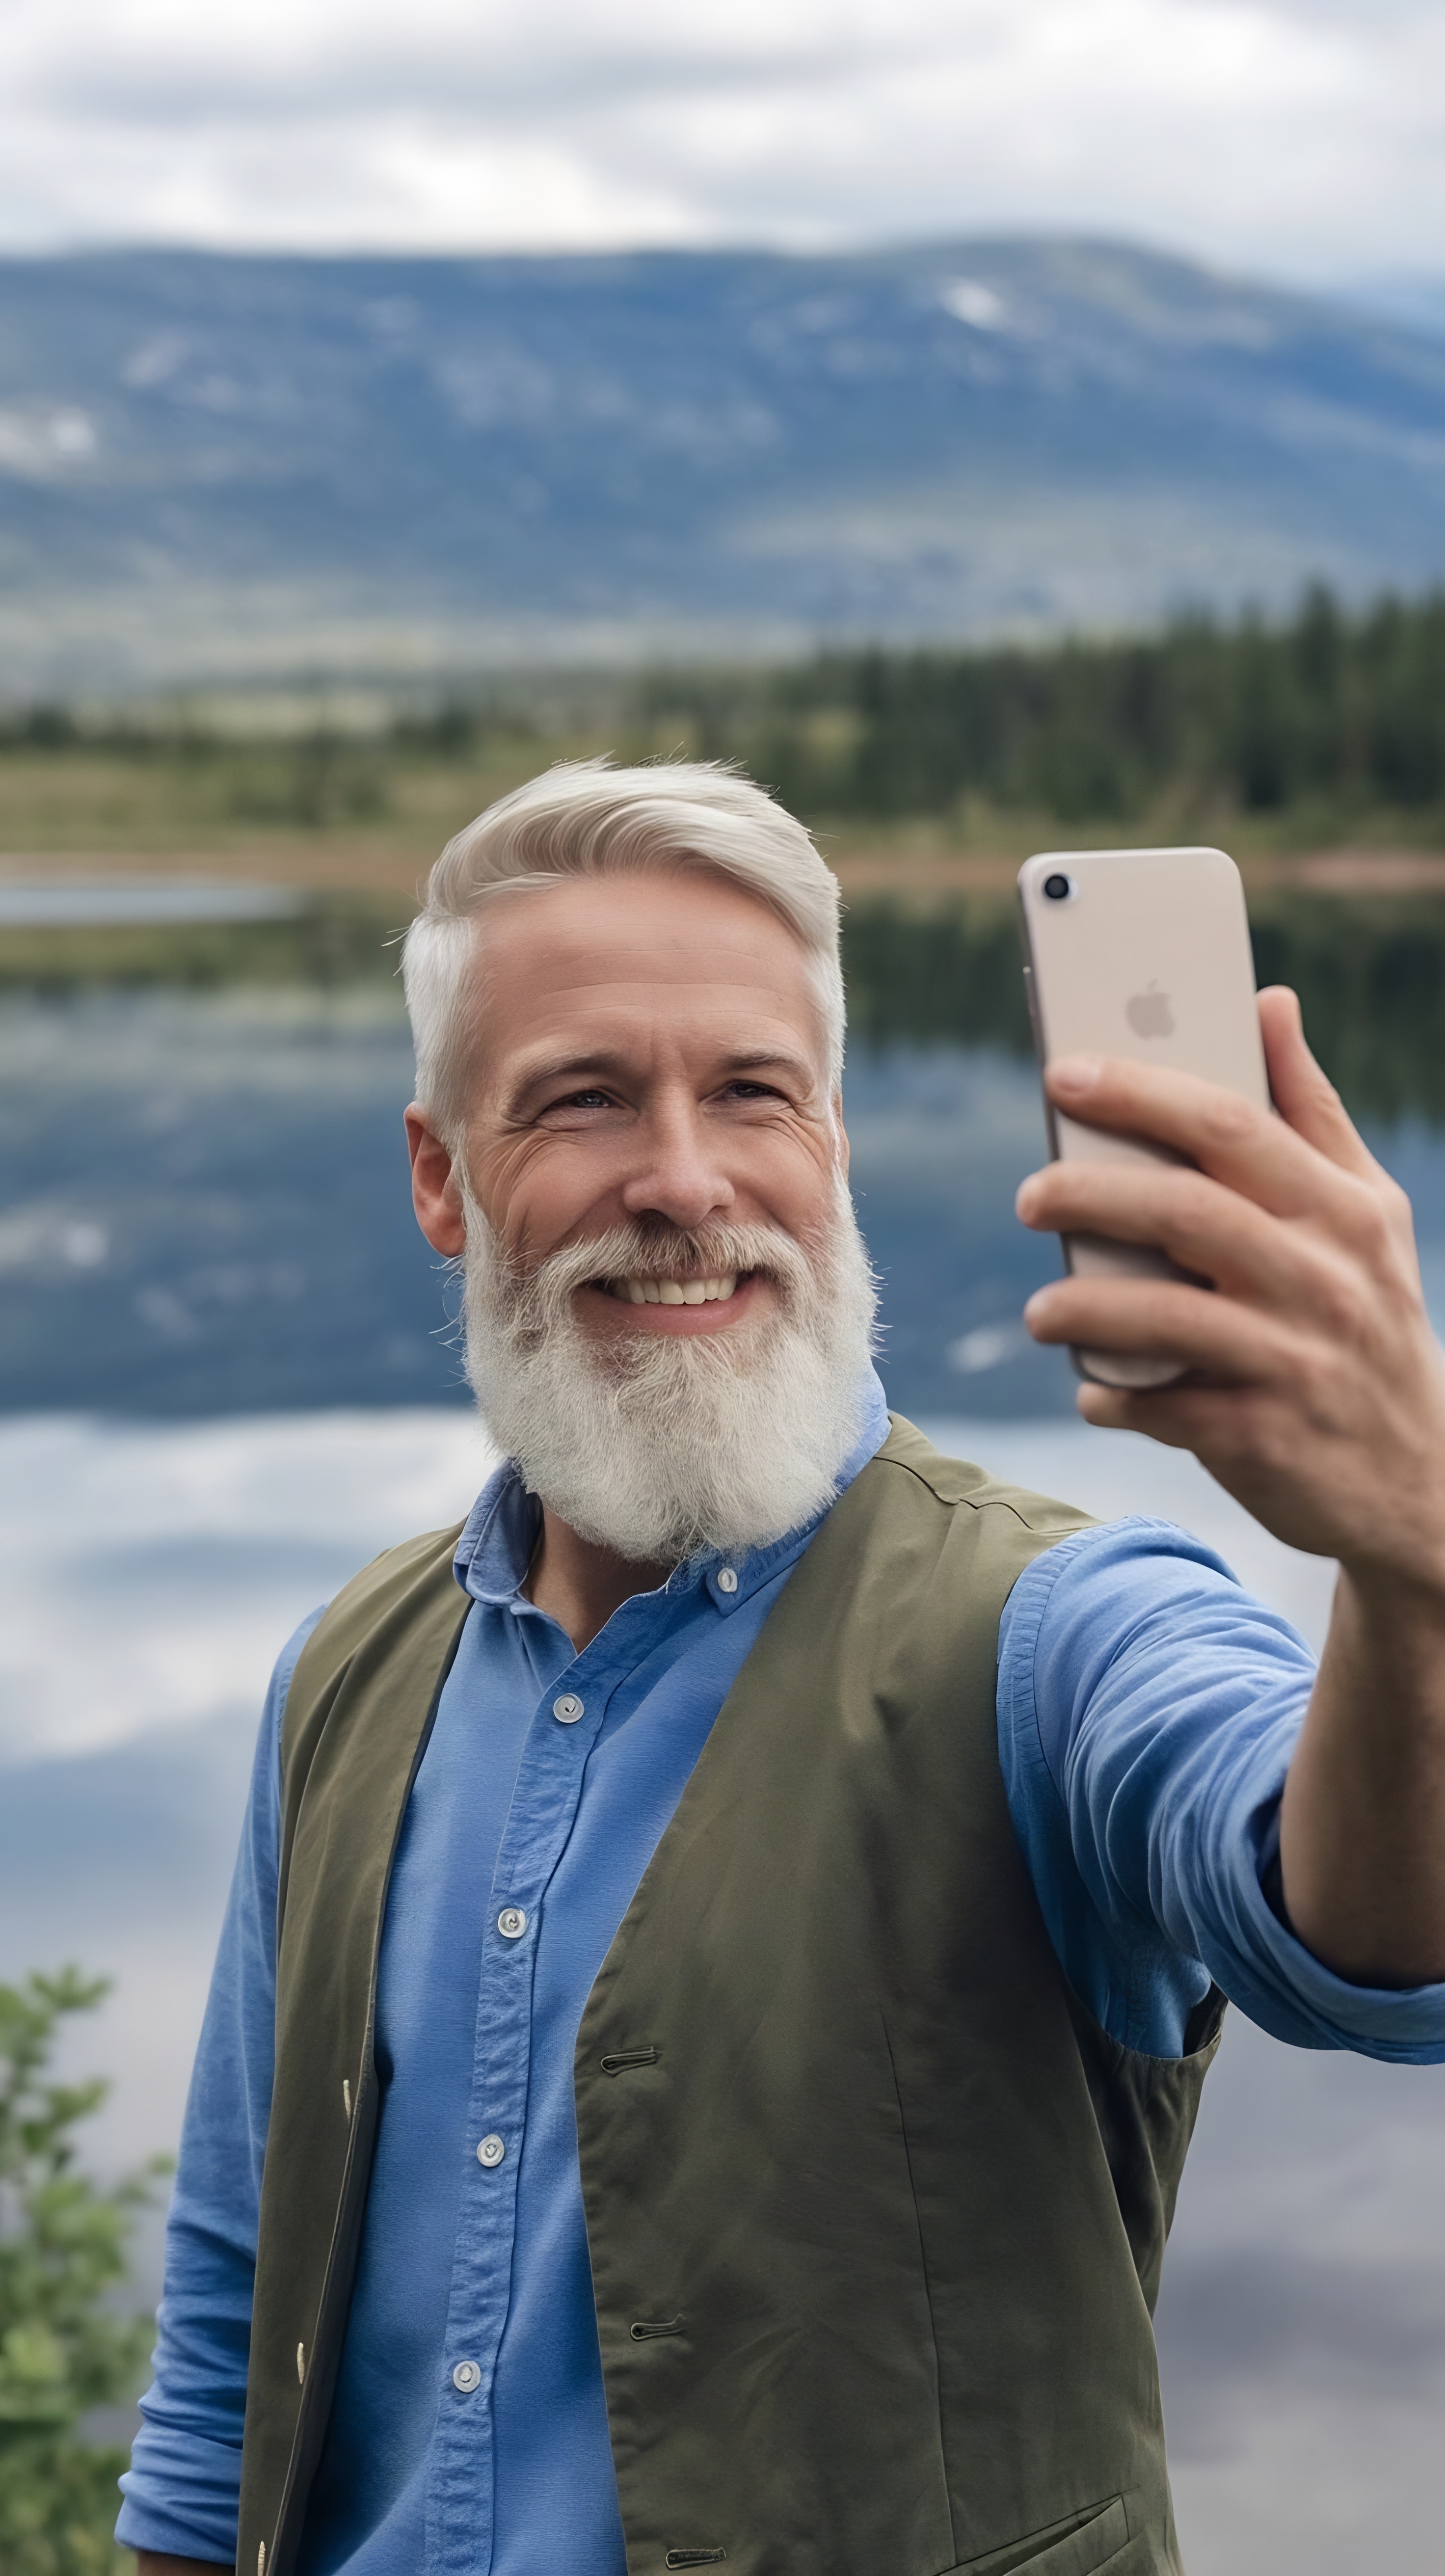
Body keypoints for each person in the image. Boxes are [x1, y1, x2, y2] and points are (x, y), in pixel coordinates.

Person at [118, 760, 1445, 2576]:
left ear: (832, 1140)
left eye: (753, 1092)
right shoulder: (344, 1671)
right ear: (442, 1177)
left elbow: (1370, 1951)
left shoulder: (1058, 1629)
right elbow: (224, 2343)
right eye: (582, 1100)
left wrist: (1413, 1558)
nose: (682, 1180)